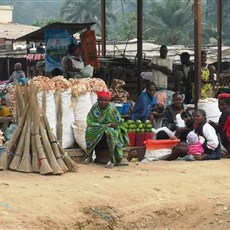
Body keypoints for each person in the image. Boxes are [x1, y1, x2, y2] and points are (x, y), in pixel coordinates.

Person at [83, 90, 130, 168]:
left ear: (109, 101)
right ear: (97, 100)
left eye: (105, 100)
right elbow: (90, 122)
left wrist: (108, 126)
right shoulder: (95, 108)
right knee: (89, 131)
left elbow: (117, 124)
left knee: (110, 132)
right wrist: (106, 125)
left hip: (113, 130)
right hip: (97, 128)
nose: (103, 102)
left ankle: (113, 159)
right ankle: (89, 156)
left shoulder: (112, 109)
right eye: (101, 100)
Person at [209, 93, 230, 157]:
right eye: (219, 105)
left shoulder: (226, 112)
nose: (220, 107)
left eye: (223, 105)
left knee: (218, 134)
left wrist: (212, 124)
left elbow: (220, 129)